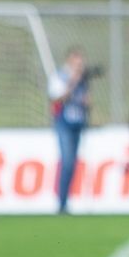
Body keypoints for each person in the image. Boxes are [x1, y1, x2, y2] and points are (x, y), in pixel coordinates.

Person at [47, 47, 96, 214]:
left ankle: (66, 200)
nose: (80, 65)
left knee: (73, 163)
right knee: (67, 161)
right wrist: (72, 82)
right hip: (64, 124)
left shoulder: (83, 81)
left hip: (78, 124)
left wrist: (87, 102)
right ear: (69, 61)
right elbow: (56, 98)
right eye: (77, 62)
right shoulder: (60, 76)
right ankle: (62, 202)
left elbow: (87, 102)